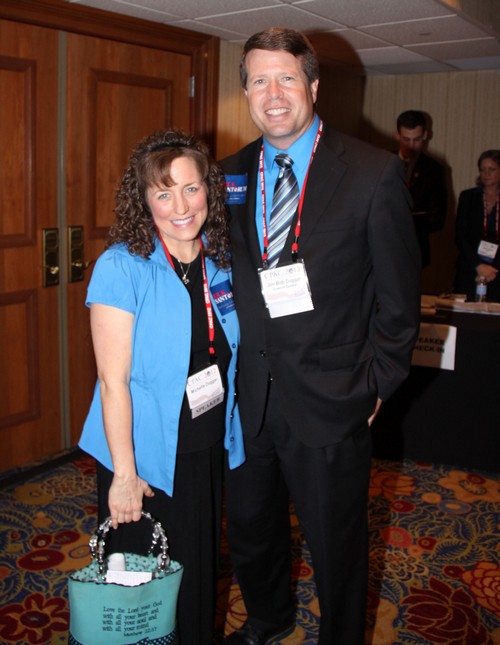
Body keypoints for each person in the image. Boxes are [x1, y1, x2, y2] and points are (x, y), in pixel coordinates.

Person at [220, 28, 421, 645]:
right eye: (258, 80)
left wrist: (378, 383)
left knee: (336, 540)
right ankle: (270, 615)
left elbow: (399, 299)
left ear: (310, 86)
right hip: (247, 395)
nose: (272, 93)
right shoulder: (227, 175)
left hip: (334, 396)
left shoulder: (373, 173)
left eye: (285, 78)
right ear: (246, 92)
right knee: (251, 528)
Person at [78, 129, 245, 644]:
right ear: (143, 198)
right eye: (163, 192)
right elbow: (112, 381)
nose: (180, 205)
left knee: (193, 572)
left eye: (191, 189)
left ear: (209, 192)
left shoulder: (219, 262)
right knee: (144, 588)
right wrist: (123, 475)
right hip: (146, 457)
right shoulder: (122, 266)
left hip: (204, 444)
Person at [396, 109, 448, 268]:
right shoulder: (382, 163)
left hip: (415, 249)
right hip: (381, 248)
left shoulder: (433, 170)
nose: (411, 145)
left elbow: (438, 219)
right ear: (397, 135)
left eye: (417, 139)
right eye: (406, 139)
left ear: (425, 135)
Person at [454, 149, 500, 302]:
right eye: (482, 170)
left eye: (491, 169)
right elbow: (460, 235)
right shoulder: (468, 197)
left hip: (496, 271)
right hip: (470, 267)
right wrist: (478, 265)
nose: (486, 174)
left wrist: (491, 270)